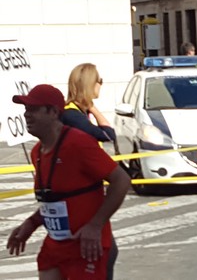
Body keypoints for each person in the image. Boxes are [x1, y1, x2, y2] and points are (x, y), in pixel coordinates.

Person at [7, 84, 130, 280]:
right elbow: (56, 199)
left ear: (53, 112)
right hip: (56, 245)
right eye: (25, 110)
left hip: (86, 246)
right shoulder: (37, 152)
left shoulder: (78, 143)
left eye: (33, 110)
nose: (26, 115)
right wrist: (31, 223)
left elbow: (121, 180)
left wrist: (95, 225)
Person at [61, 63, 119, 279]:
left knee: (105, 252)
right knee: (103, 253)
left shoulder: (77, 113)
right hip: (80, 193)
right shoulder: (72, 115)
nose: (101, 85)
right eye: (99, 80)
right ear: (89, 84)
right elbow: (107, 134)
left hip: (90, 189)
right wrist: (93, 107)